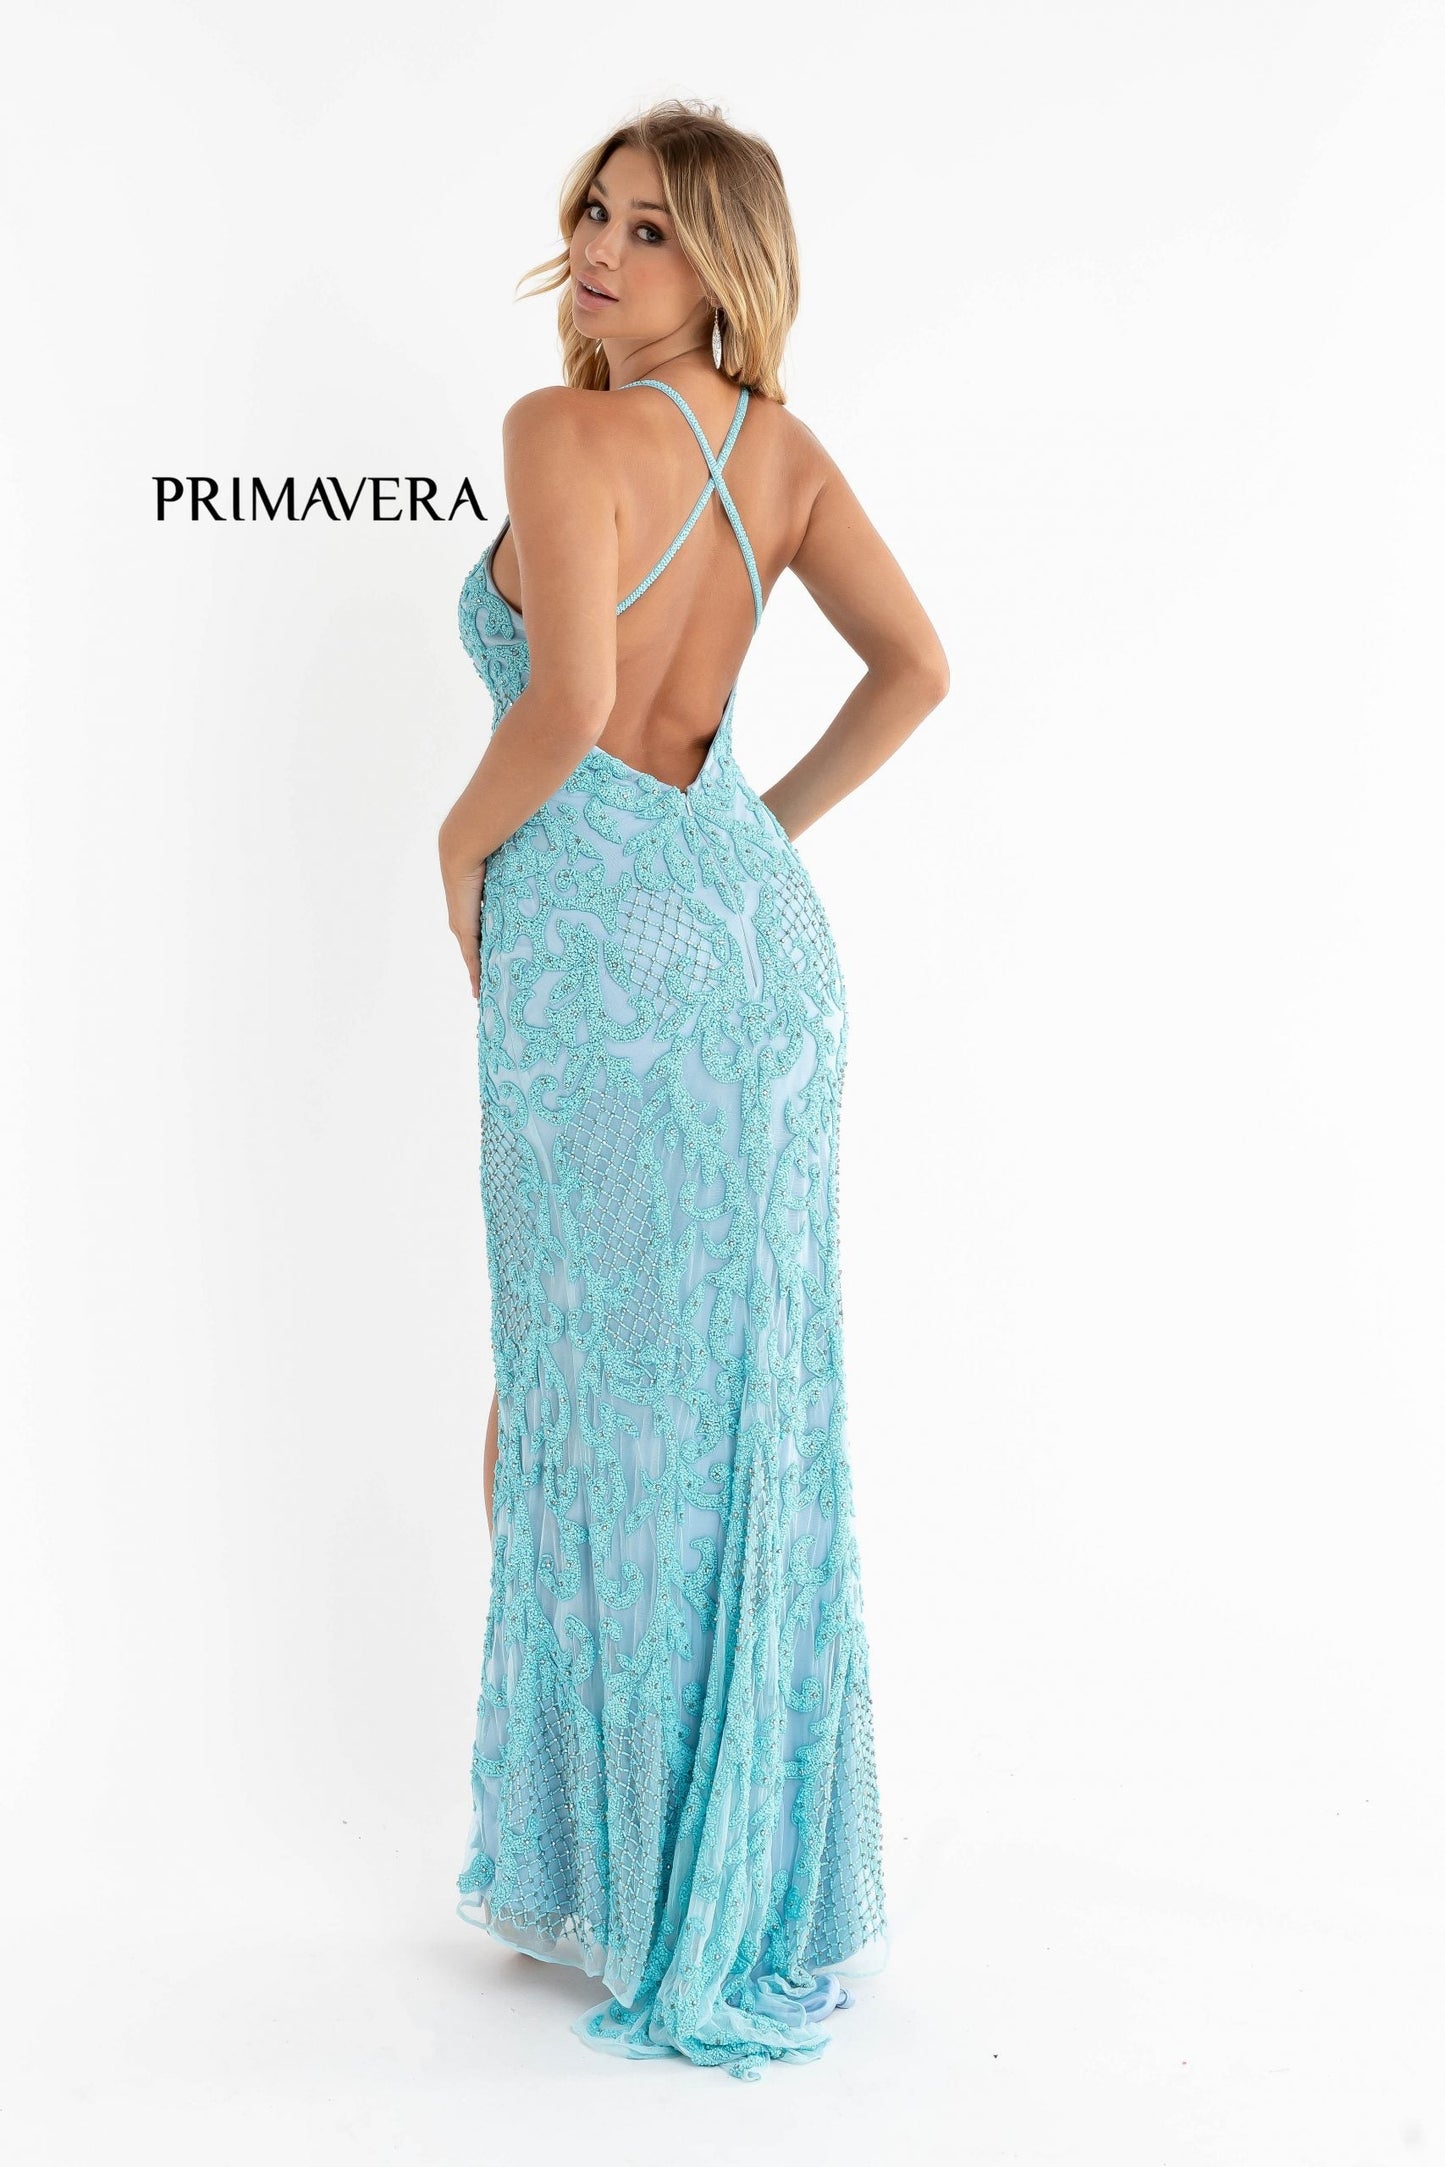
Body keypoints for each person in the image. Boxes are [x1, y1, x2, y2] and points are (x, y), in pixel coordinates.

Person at [437, 97, 949, 2083]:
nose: (597, 246)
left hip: (592, 947)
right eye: (593, 209)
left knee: (575, 1383)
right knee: (735, 1398)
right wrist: (753, 843)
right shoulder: (784, 455)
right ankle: (714, 1870)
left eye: (649, 227)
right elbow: (915, 668)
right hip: (753, 955)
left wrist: (455, 849)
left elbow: (568, 707)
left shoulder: (556, 434)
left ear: (725, 262)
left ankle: (620, 1873)